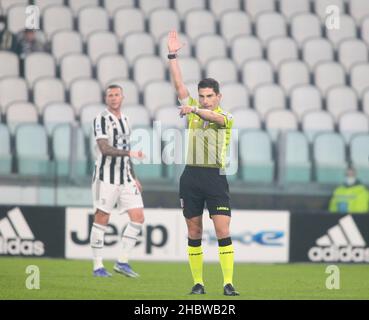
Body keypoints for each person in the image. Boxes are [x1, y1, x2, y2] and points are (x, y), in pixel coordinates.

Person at [167, 30, 239, 296]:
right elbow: (178, 85)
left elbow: (216, 119)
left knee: (222, 229)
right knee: (194, 229)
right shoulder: (194, 111)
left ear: (218, 97)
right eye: (202, 96)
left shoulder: (225, 116)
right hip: (191, 177)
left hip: (214, 177)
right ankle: (198, 282)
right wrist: (173, 55)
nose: (205, 99)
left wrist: (194, 109)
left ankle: (228, 283)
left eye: (210, 96)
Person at [90, 84, 145, 278]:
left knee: (138, 217)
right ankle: (98, 266)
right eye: (110, 95)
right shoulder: (101, 119)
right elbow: (105, 148)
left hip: (125, 177)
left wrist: (134, 176)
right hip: (105, 178)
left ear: (122, 97)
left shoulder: (127, 120)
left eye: (116, 95)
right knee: (102, 218)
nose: (113, 98)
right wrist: (130, 153)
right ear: (106, 99)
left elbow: (126, 150)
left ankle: (122, 262)